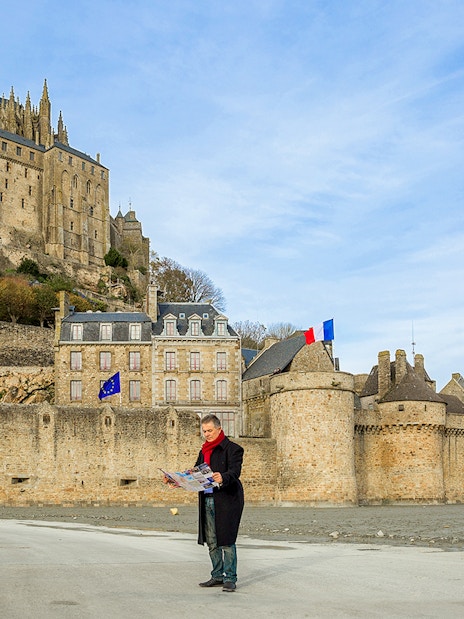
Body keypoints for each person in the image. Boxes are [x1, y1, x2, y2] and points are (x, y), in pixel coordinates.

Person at [195, 414, 244, 592]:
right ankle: (217, 575)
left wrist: (223, 476)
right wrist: (176, 481)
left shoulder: (233, 449)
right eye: (204, 431)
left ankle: (230, 578)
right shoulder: (203, 451)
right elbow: (195, 473)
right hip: (207, 499)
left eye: (209, 430)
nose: (206, 434)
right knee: (212, 540)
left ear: (219, 429)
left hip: (227, 499)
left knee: (227, 540)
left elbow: (235, 472)